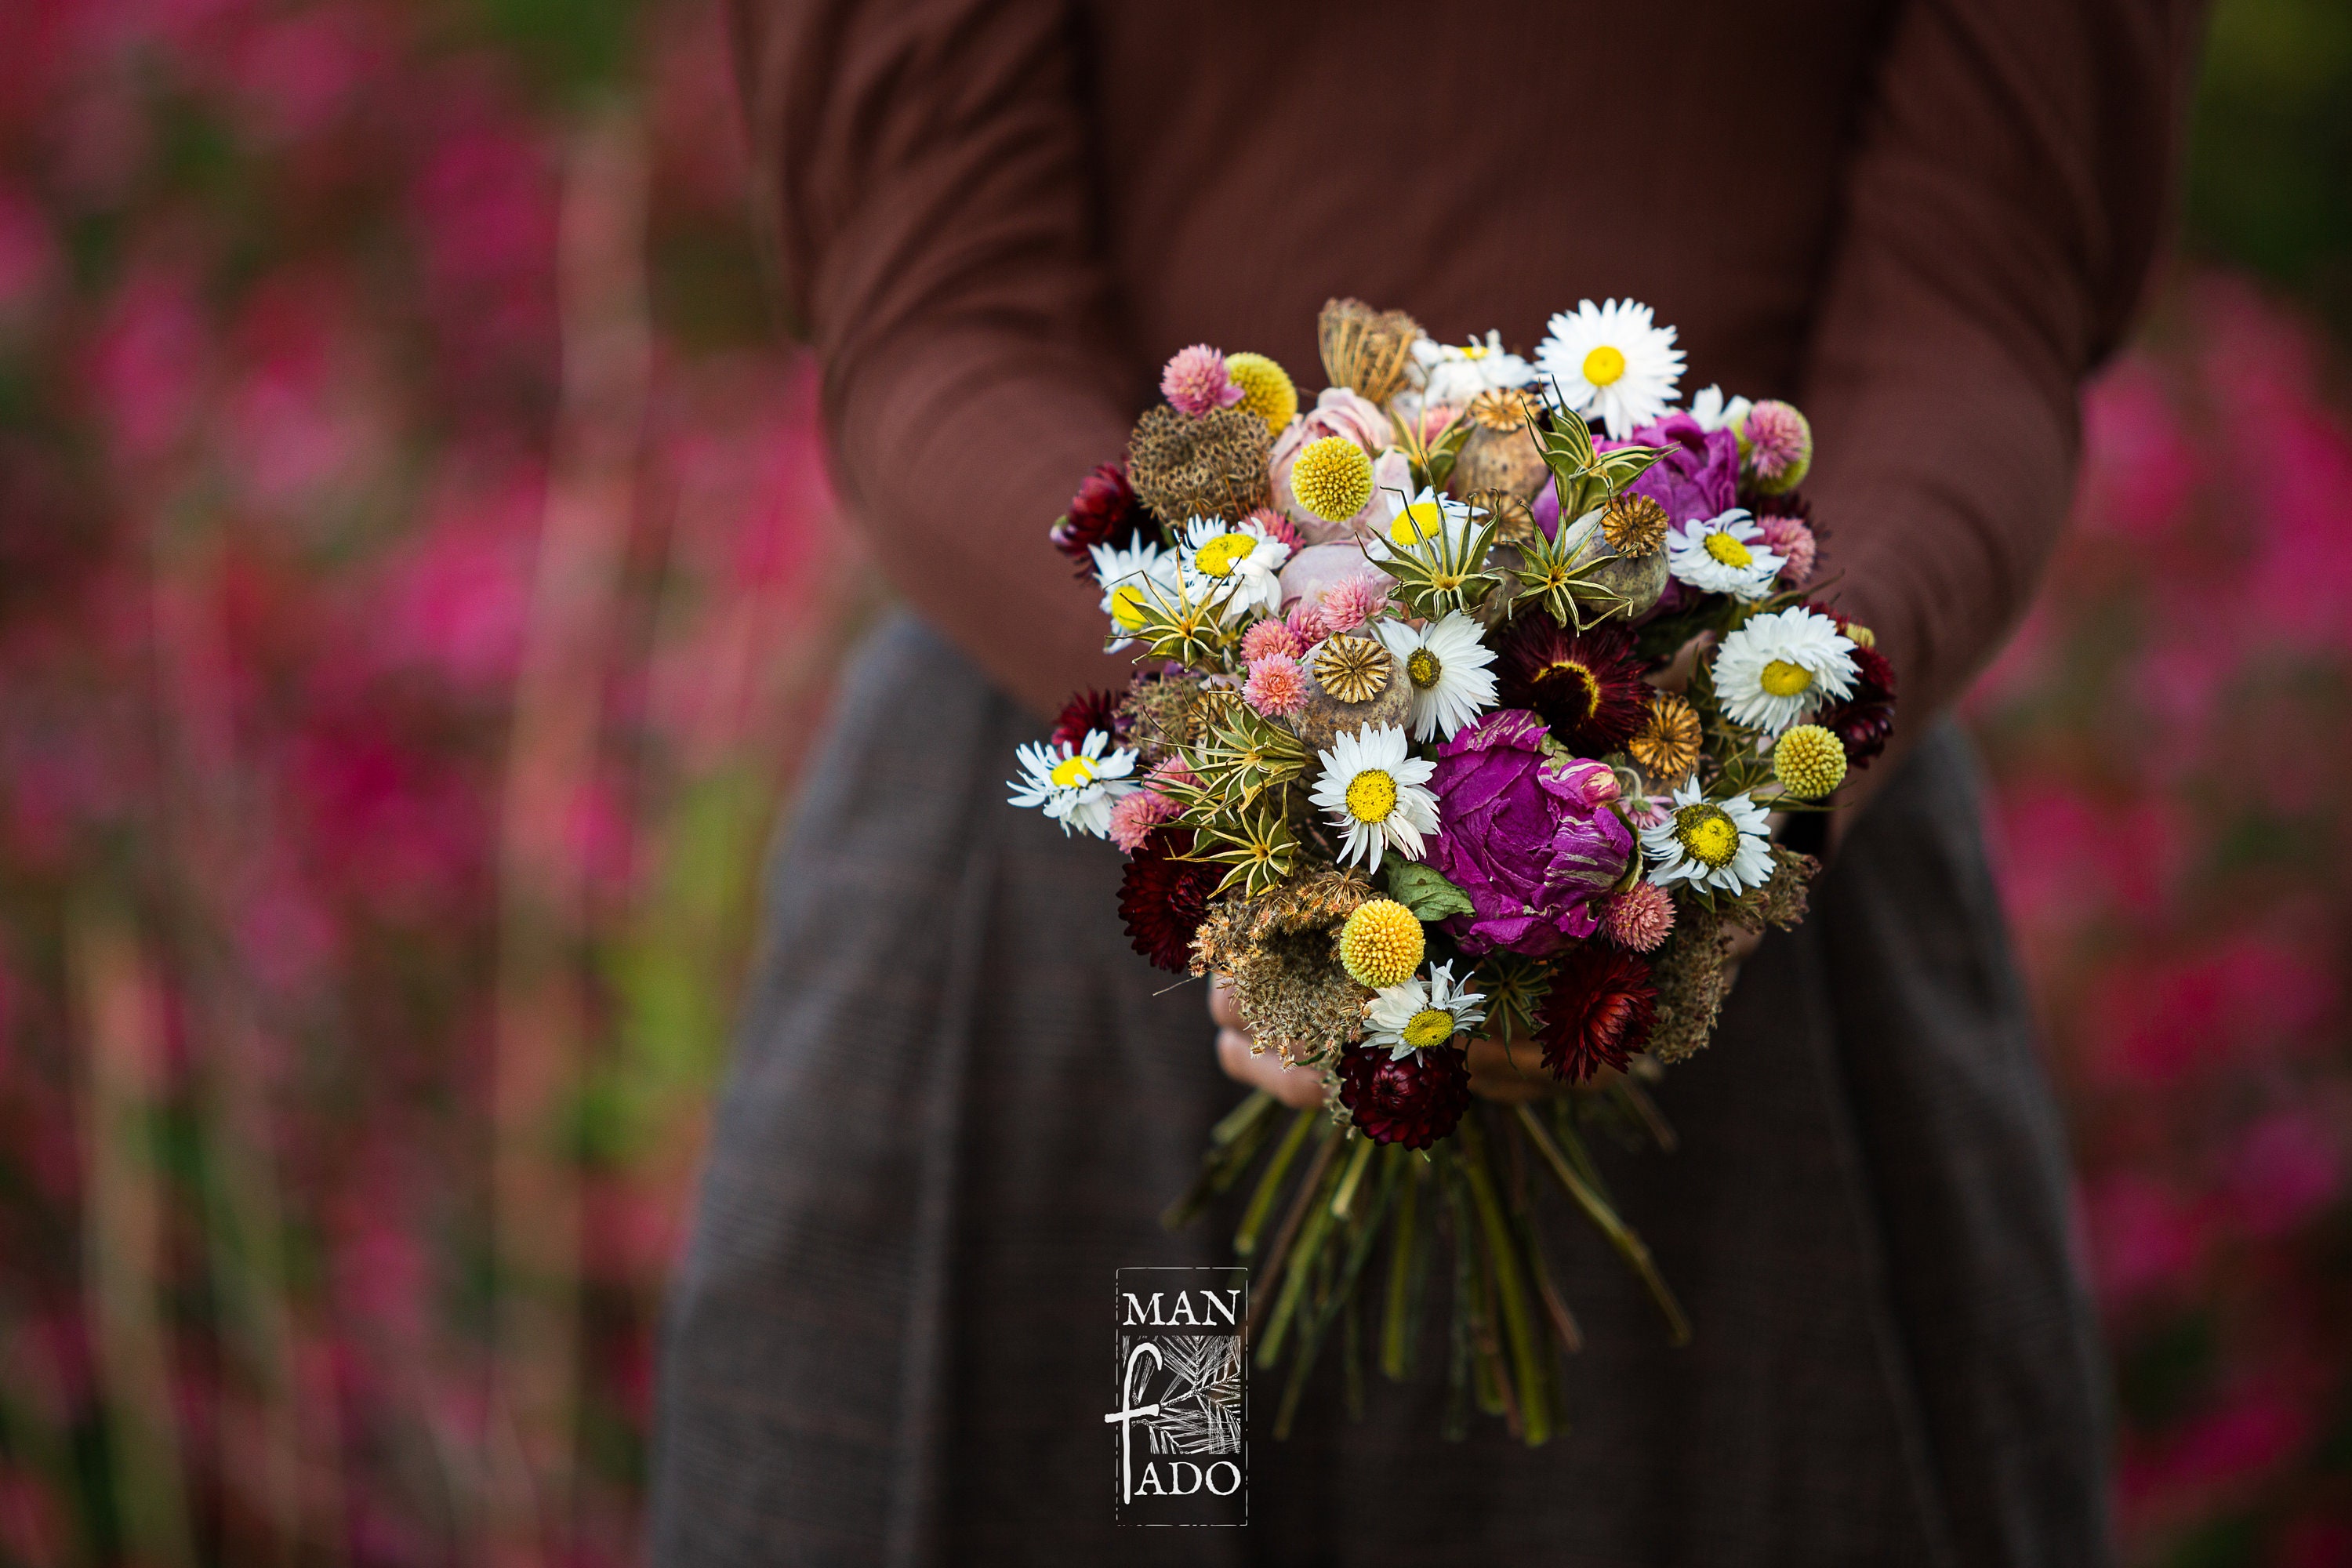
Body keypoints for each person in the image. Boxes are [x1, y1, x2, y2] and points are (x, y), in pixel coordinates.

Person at [650, 2, 2205, 1561]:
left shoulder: (1730, 799)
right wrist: (1250, 737)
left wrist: (1754, 729)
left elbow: (1977, 303)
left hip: (1738, 935)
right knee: (1139, 1479)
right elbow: (937, 295)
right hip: (1101, 937)